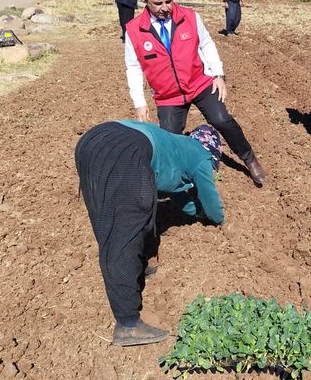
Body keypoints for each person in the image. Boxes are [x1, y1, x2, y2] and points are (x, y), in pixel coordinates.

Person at [75, 121, 225, 346]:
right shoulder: (201, 156)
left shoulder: (177, 147)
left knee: (113, 214)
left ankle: (135, 267)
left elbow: (178, 194)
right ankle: (128, 324)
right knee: (124, 230)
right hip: (124, 149)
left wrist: (195, 212)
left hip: (93, 141)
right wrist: (218, 219)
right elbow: (211, 202)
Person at [124, 0, 267, 185]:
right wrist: (139, 103)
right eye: (158, 3)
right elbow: (133, 68)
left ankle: (250, 158)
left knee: (221, 119)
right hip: (168, 95)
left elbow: (207, 44)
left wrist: (218, 74)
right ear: (145, 0)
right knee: (169, 142)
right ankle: (181, 179)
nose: (165, 7)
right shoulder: (134, 30)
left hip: (198, 83)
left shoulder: (190, 17)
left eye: (169, 1)